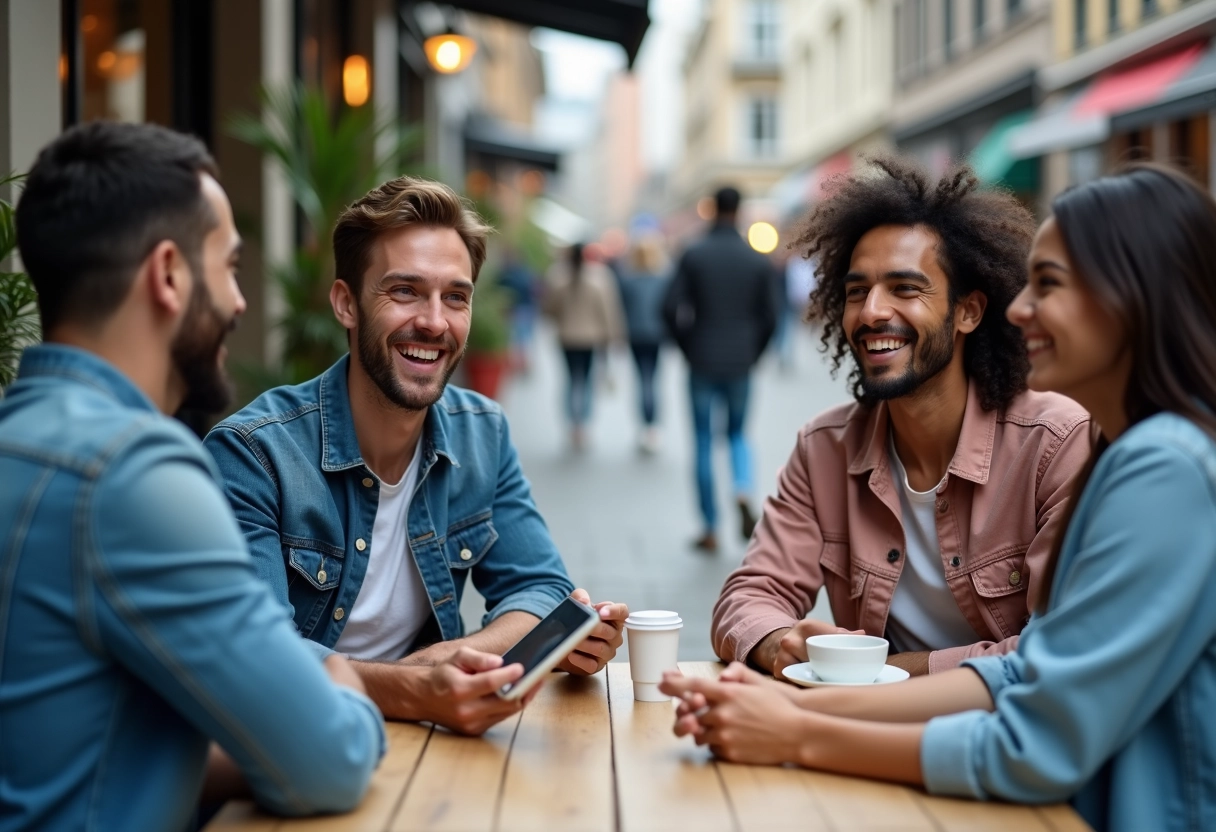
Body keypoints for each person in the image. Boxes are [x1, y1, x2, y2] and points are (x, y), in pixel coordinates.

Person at [663, 163, 1216, 832]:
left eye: (1049, 285)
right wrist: (787, 684)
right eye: (856, 290)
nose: (1020, 308)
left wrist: (799, 729)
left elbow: (1033, 738)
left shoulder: (1154, 464)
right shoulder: (1128, 452)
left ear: (1133, 299)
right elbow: (1027, 678)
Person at [0, 122, 385, 831]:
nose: (240, 301)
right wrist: (343, 681)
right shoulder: (132, 474)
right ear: (170, 274)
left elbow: (61, 747)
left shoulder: (19, 441)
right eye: (230, 266)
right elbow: (328, 758)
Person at [204, 177, 627, 737]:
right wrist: (414, 686)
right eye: (405, 291)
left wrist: (447, 662)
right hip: (299, 751)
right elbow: (259, 664)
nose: (434, 321)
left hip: (429, 743)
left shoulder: (482, 433)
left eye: (456, 296)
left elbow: (543, 590)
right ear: (346, 304)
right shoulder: (255, 453)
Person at [711, 158, 1091, 677]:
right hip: (862, 739)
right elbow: (748, 596)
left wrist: (881, 674)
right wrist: (780, 644)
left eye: (905, 289)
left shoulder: (1055, 443)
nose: (871, 312)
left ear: (968, 312)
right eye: (855, 292)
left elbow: (1059, 650)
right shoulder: (824, 448)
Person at [663, 186, 782, 553]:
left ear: (713, 209)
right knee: (737, 434)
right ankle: (743, 488)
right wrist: (753, 351)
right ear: (741, 209)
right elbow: (773, 317)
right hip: (740, 362)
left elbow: (669, 307)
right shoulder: (755, 259)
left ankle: (710, 526)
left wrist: (688, 346)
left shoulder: (695, 254)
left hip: (702, 359)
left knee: (701, 440)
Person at [542, 242, 625, 451]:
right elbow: (607, 309)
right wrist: (613, 335)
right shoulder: (600, 277)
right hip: (590, 338)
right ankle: (583, 424)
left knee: (570, 379)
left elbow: (549, 308)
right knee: (586, 380)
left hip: (567, 337)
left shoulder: (558, 276)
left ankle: (573, 422)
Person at [618, 235, 671, 454]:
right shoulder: (663, 279)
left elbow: (622, 308)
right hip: (657, 334)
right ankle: (652, 426)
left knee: (642, 378)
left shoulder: (628, 280)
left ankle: (646, 425)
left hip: (636, 335)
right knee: (653, 378)